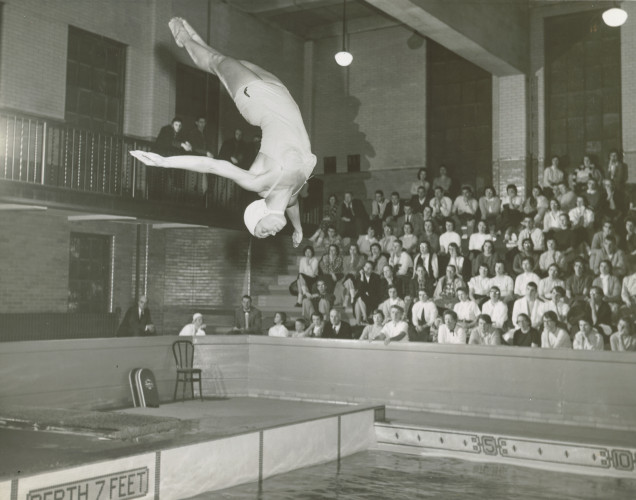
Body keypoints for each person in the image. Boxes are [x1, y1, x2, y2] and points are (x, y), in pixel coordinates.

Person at [131, 18, 317, 247]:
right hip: (281, 93)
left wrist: (165, 162)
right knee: (227, 62)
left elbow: (213, 166)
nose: (270, 234)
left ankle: (185, 39)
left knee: (218, 63)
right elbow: (293, 207)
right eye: (267, 235)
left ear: (259, 215)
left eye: (261, 231)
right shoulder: (292, 193)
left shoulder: (259, 183)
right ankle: (197, 42)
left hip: (256, 101)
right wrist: (298, 229)